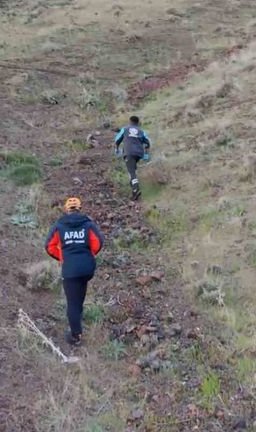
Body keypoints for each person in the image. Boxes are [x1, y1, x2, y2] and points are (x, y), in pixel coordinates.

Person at [44, 197, 104, 346]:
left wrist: (62, 258)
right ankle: (78, 323)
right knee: (79, 298)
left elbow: (49, 246)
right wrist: (89, 255)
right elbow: (98, 242)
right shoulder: (88, 224)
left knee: (72, 302)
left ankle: (75, 336)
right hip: (86, 269)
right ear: (79, 208)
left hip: (70, 269)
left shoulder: (59, 225)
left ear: (66, 209)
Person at [114, 115, 151, 200]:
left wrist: (117, 150)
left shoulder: (125, 129)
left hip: (129, 152)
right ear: (138, 123)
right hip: (139, 154)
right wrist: (146, 154)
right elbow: (147, 143)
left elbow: (117, 140)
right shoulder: (142, 131)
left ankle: (136, 189)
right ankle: (134, 192)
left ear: (130, 121)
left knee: (131, 172)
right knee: (132, 169)